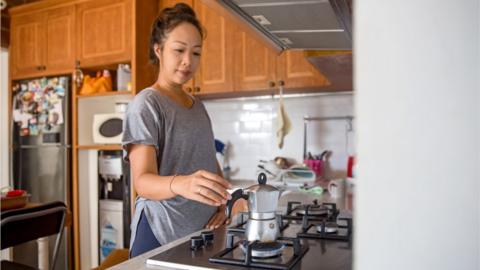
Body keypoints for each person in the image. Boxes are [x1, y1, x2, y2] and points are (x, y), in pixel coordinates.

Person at [122, 3, 232, 257]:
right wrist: (182, 183)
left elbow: (208, 161)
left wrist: (222, 204)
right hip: (161, 234)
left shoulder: (199, 107)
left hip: (200, 233)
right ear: (158, 50)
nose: (187, 61)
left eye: (196, 53)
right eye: (179, 50)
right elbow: (143, 181)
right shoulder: (146, 104)